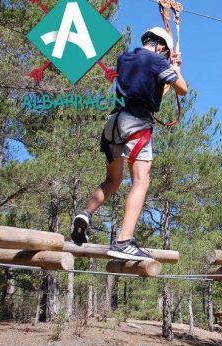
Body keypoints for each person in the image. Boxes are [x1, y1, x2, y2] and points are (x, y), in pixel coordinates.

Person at [71, 27, 187, 260]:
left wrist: (168, 65)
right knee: (141, 180)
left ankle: (85, 213)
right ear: (162, 47)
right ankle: (124, 240)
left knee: (112, 180)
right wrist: (174, 67)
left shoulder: (124, 57)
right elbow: (182, 90)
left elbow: (150, 84)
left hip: (114, 122)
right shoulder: (157, 61)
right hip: (136, 123)